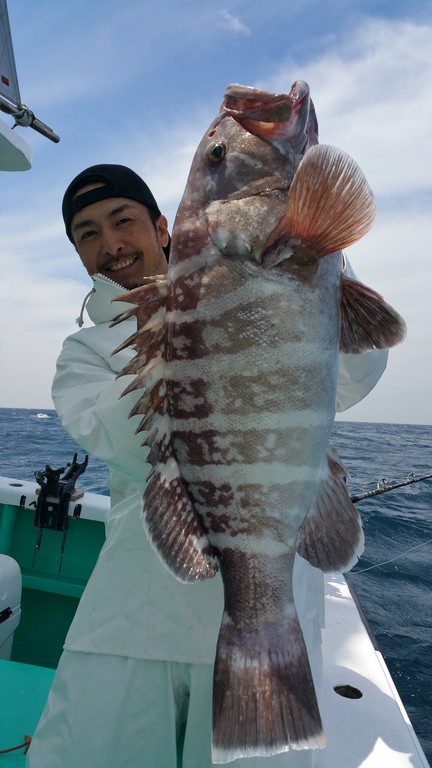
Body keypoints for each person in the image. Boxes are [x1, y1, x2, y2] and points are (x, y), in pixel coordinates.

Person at [26, 164, 388, 768]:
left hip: (274, 608)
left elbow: (357, 370)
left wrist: (309, 256)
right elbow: (115, 436)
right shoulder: (85, 352)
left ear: (163, 226)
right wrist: (178, 338)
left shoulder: (254, 299)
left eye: (122, 221)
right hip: (136, 610)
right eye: (87, 234)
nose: (109, 243)